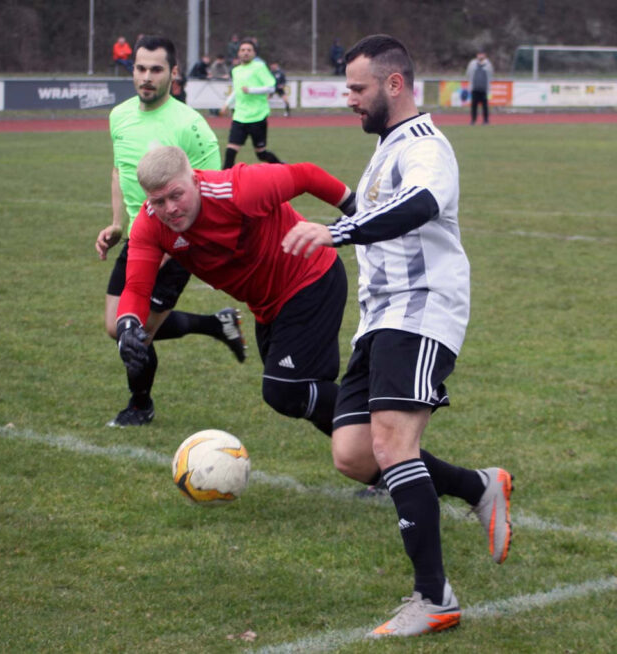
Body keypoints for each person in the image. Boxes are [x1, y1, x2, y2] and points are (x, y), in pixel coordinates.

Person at [282, 34, 513, 637]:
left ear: (393, 85)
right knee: (354, 453)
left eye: (357, 88)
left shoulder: (424, 145)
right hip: (379, 316)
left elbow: (423, 203)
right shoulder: (385, 150)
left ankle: (434, 598)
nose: (348, 99)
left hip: (422, 309)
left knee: (391, 446)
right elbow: (378, 211)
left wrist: (337, 231)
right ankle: (478, 485)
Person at [114, 145, 358, 436]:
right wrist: (128, 325)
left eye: (176, 195)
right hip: (267, 305)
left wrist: (357, 210)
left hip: (311, 277)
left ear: (194, 180)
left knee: (285, 389)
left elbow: (305, 175)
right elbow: (137, 288)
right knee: (301, 394)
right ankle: (376, 464)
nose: (170, 209)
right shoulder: (149, 225)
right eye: (159, 201)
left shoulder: (238, 189)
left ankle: (386, 434)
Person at [95, 36, 245, 428]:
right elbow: (119, 171)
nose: (147, 77)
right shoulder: (119, 116)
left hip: (178, 244)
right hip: (139, 239)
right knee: (116, 326)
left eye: (156, 69)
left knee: (136, 332)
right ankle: (216, 324)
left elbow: (213, 194)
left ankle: (140, 405)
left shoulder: (191, 126)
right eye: (140, 68)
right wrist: (117, 225)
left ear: (174, 73)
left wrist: (167, 249)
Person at [219, 39, 283, 169]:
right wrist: (226, 104)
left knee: (261, 154)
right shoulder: (236, 70)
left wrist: (251, 90)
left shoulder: (259, 67)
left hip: (257, 116)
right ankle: (223, 182)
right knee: (230, 152)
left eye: (249, 50)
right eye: (243, 50)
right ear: (238, 53)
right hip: (240, 116)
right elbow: (237, 91)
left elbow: (271, 88)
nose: (245, 53)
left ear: (254, 53)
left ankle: (284, 168)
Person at [466, 50, 493, 124]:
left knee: (485, 106)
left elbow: (491, 75)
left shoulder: (488, 64)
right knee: (474, 105)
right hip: (474, 88)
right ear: (477, 55)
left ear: (485, 55)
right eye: (479, 54)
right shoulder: (472, 63)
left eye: (482, 54)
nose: (480, 56)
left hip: (484, 89)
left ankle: (485, 120)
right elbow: (468, 73)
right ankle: (473, 120)